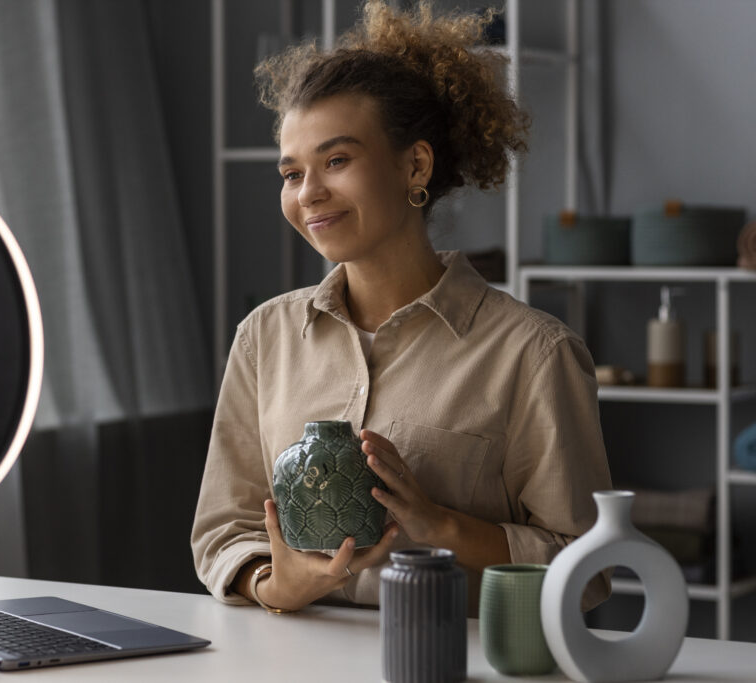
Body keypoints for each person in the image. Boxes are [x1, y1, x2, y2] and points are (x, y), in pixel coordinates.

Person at [191, 0, 612, 614]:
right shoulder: (265, 336)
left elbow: (589, 569)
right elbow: (223, 531)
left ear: (414, 164)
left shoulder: (533, 353)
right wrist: (276, 584)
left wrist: (441, 525)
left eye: (336, 160)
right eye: (291, 173)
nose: (309, 194)